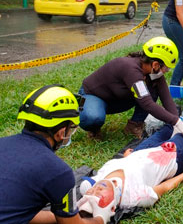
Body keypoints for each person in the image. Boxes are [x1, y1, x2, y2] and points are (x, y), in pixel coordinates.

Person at [0, 85, 113, 224]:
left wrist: (59, 216)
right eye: (71, 129)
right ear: (61, 133)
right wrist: (101, 218)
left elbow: (16, 212)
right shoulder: (58, 172)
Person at [77, 111, 183, 214]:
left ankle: (173, 114)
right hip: (166, 159)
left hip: (140, 152)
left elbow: (85, 191)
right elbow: (165, 187)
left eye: (90, 193)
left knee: (166, 129)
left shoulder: (92, 183)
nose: (96, 190)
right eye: (99, 197)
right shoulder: (135, 196)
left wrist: (126, 158)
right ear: (112, 208)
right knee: (181, 134)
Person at [78, 37, 183, 141]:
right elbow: (147, 104)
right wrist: (176, 122)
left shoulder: (151, 72)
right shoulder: (131, 69)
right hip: (94, 96)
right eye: (166, 68)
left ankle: (134, 125)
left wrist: (177, 123)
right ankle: (93, 129)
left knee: (152, 90)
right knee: (93, 117)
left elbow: (166, 97)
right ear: (155, 65)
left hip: (116, 97)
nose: (166, 71)